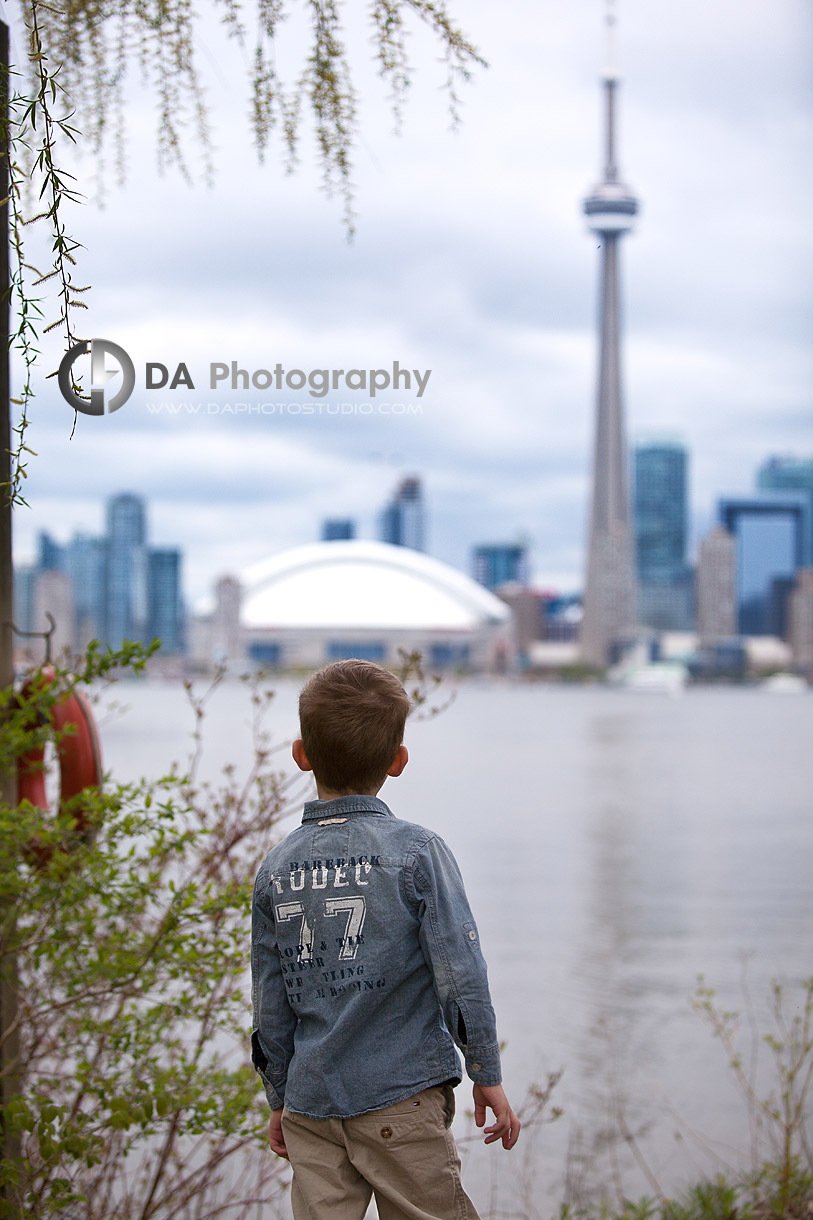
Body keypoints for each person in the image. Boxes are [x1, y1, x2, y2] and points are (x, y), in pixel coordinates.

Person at [251, 659, 520, 1220]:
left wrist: (280, 1098)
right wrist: (486, 1074)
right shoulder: (418, 853)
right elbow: (460, 977)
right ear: (398, 762)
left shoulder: (275, 869)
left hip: (311, 1107)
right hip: (401, 1095)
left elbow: (270, 1006)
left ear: (301, 754)